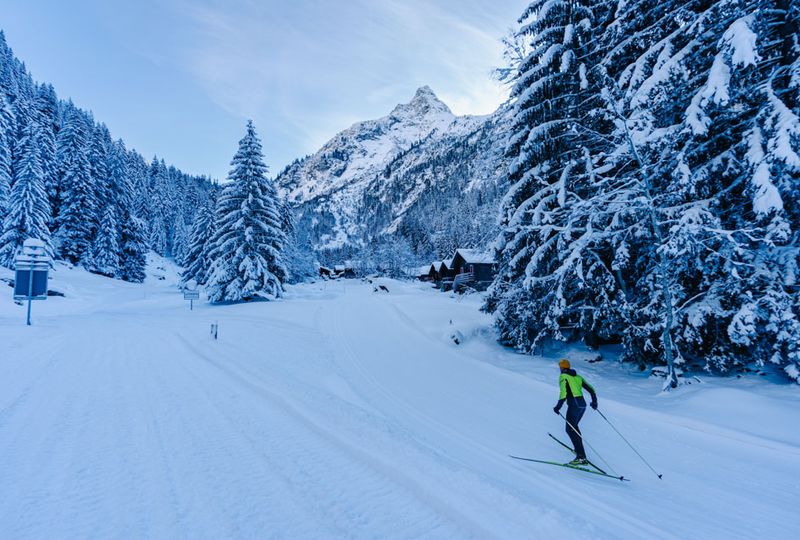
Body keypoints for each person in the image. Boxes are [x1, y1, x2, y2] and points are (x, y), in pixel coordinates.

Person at [553, 359, 597, 466]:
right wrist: (594, 402)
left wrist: (557, 407)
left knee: (569, 429)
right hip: (582, 405)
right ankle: (579, 451)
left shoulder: (563, 376)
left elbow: (564, 393)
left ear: (562, 367)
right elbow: (591, 389)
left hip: (574, 405)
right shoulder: (578, 377)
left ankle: (581, 457)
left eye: (560, 366)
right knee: (574, 428)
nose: (559, 368)